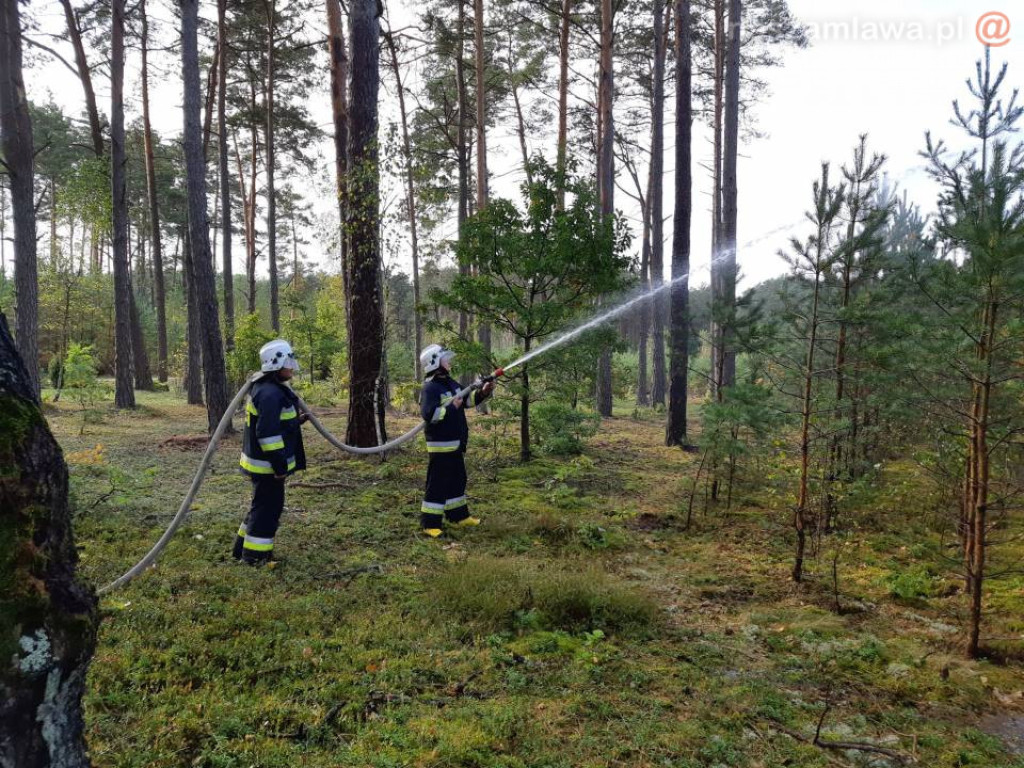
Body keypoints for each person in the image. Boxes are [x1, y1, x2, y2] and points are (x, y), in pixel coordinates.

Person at [232, 339, 308, 565]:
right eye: (288, 363)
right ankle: (255, 557)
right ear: (275, 364)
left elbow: (275, 424)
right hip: (267, 466)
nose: (292, 367)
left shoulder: (270, 389)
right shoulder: (270, 393)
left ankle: (241, 549)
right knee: (267, 511)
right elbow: (267, 434)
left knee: (260, 506)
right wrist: (279, 466)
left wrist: (295, 421)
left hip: (263, 464)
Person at [418, 344, 495, 537]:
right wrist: (452, 407)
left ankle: (458, 516)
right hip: (440, 447)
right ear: (435, 362)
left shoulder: (451, 384)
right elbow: (430, 414)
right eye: (446, 358)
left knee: (458, 480)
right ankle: (430, 524)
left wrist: (484, 391)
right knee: (437, 485)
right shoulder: (430, 388)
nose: (449, 361)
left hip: (456, 444)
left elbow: (467, 401)